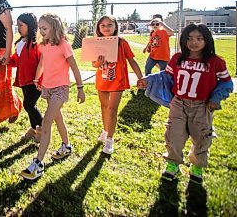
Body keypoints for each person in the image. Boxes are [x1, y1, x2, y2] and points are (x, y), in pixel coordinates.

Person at [140, 24, 233, 184]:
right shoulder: (177, 58)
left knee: (201, 136)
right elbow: (166, 76)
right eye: (189, 38)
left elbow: (226, 83)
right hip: (179, 103)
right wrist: (149, 80)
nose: (194, 42)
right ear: (184, 40)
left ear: (207, 40)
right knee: (174, 134)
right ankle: (172, 164)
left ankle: (197, 165)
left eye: (199, 38)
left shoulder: (215, 61)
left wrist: (215, 99)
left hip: (202, 105)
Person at [20, 13, 85, 180]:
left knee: (47, 121)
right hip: (47, 88)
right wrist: (36, 78)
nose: (41, 31)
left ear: (54, 27)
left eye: (44, 28)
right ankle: (66, 146)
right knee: (58, 119)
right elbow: (42, 62)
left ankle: (38, 164)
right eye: (40, 28)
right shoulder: (44, 44)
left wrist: (80, 87)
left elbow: (75, 68)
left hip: (60, 88)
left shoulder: (63, 44)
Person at [92, 15, 143, 154]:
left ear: (115, 26)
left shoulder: (122, 43)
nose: (106, 28)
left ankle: (109, 139)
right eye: (103, 25)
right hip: (102, 79)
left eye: (110, 25)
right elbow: (94, 64)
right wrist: (99, 62)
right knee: (104, 106)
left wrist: (140, 77)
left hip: (117, 81)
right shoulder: (97, 42)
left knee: (112, 110)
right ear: (98, 27)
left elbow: (132, 61)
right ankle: (105, 130)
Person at [9, 13, 43, 142]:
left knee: (29, 104)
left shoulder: (37, 43)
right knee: (29, 105)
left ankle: (42, 129)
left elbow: (42, 62)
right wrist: (6, 60)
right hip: (23, 79)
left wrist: (39, 79)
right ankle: (34, 128)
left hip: (35, 80)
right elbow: (15, 61)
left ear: (30, 25)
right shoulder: (20, 43)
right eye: (17, 25)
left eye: (21, 25)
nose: (19, 28)